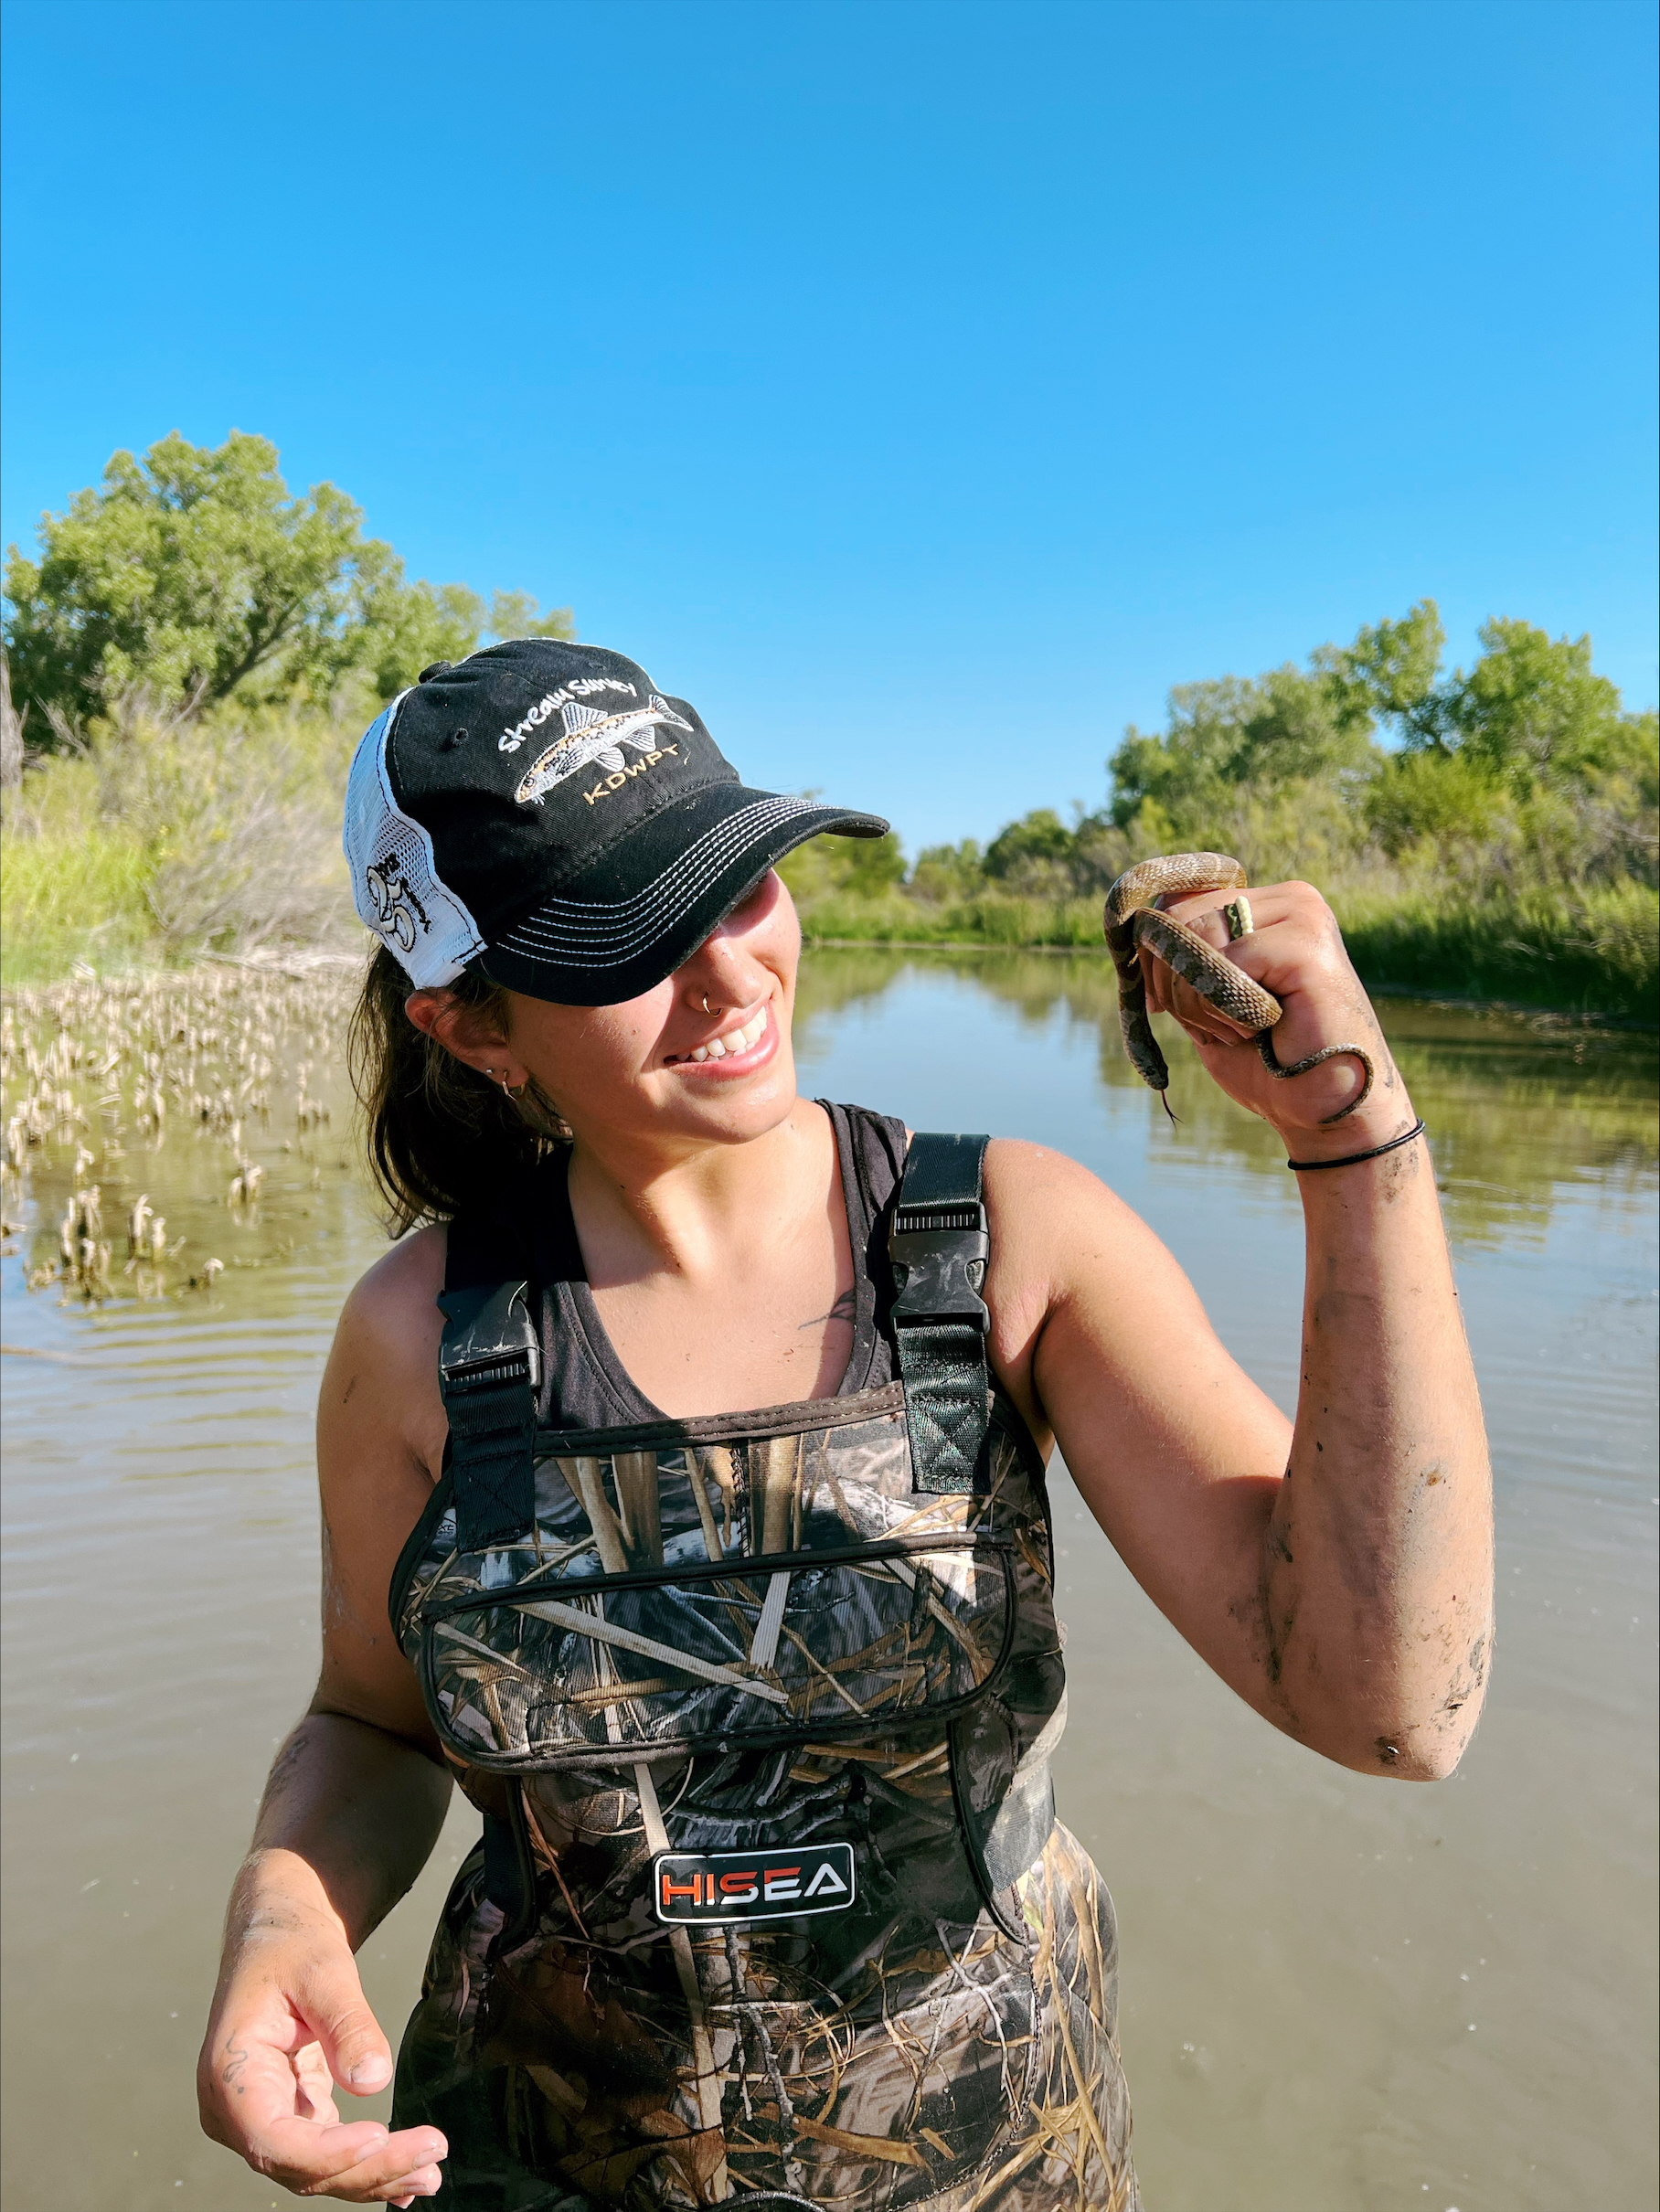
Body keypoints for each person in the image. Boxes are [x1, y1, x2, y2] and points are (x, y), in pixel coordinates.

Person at [197, 640, 1493, 2210]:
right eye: (632, 942)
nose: (733, 971)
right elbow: (373, 1726)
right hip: (536, 2169)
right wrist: (286, 1907)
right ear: (473, 1026)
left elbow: (1391, 1707)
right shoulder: (417, 1338)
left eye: (735, 884)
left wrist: (1359, 1147)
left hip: (1001, 2169)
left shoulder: (1008, 1241)